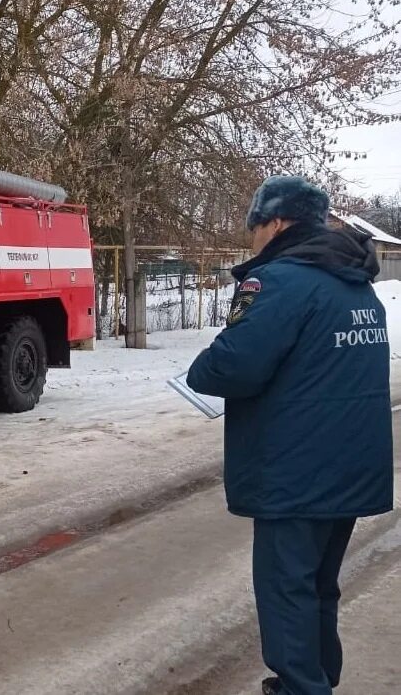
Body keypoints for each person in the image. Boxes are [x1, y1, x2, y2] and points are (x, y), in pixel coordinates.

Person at [187, 176, 393, 695]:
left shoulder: (281, 280)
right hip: (351, 466)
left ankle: (302, 686)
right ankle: (319, 679)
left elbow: (235, 366)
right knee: (318, 588)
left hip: (296, 472)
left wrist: (202, 367)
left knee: (286, 592)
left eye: (254, 226)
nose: (252, 237)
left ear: (276, 222)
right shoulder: (356, 284)